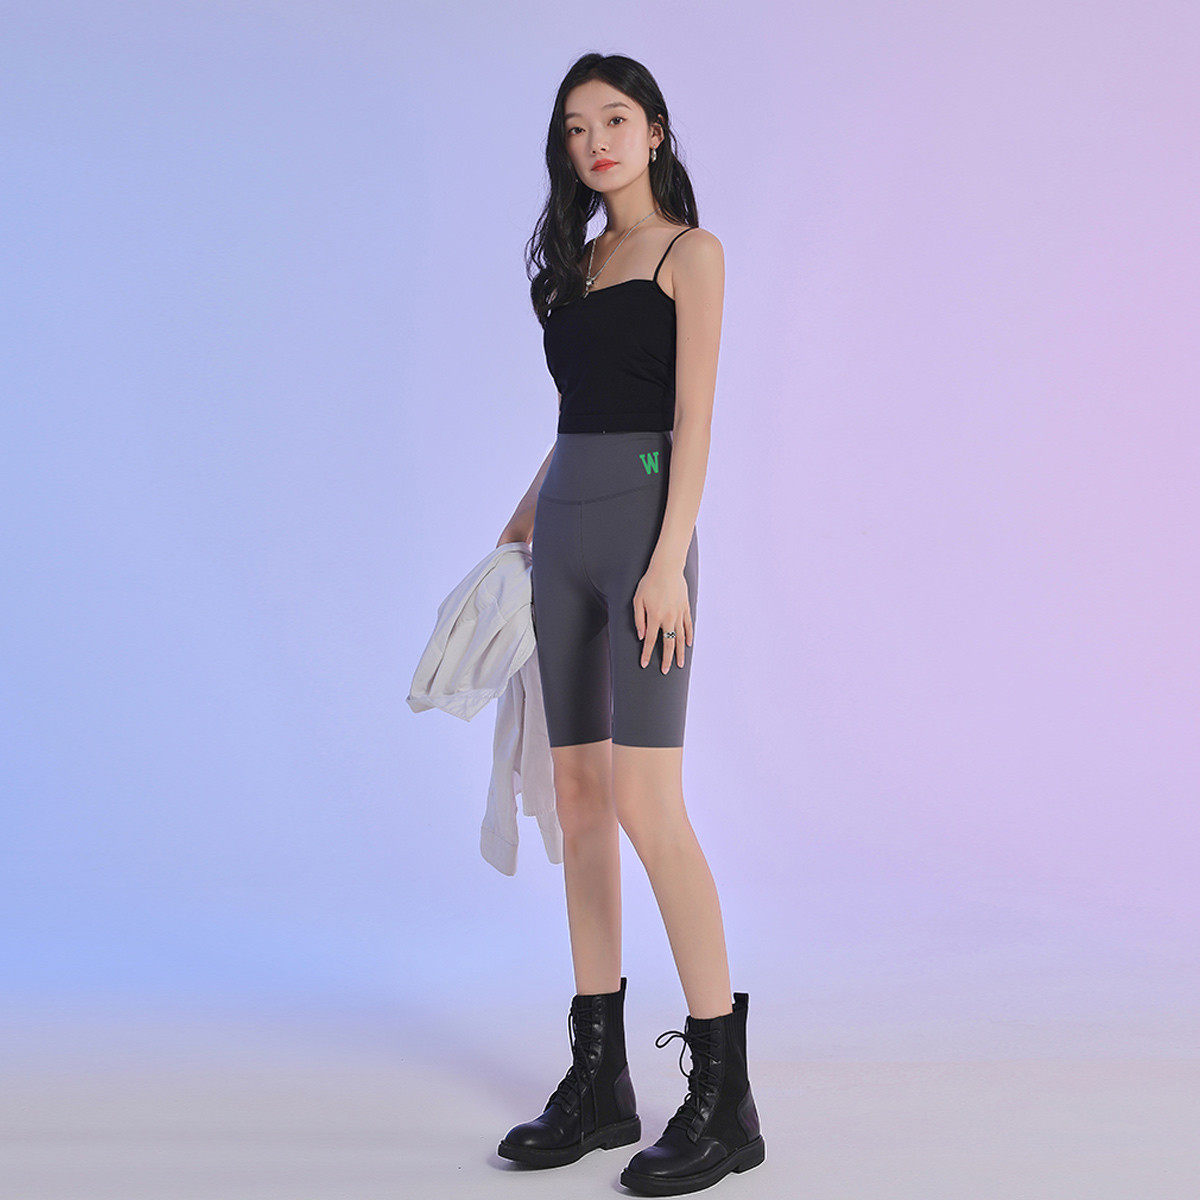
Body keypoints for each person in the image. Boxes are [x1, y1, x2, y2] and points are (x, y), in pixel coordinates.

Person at [493, 53, 764, 1195]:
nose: (595, 141)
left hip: (646, 545)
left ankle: (725, 1100)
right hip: (561, 538)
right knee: (579, 800)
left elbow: (693, 419)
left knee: (652, 803)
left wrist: (667, 563)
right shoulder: (577, 266)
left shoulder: (688, 254)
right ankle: (599, 1082)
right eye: (575, 127)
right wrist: (519, 521)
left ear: (653, 131)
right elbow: (579, 416)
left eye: (614, 119)